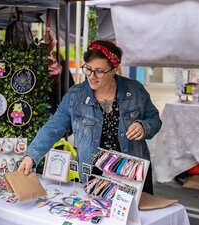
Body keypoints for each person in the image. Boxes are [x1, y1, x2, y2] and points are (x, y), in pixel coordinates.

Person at [18, 40, 162, 194]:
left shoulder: (135, 90)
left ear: (114, 70)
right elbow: (53, 128)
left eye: (99, 71)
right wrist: (31, 156)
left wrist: (143, 126)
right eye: (88, 69)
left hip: (131, 174)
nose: (92, 76)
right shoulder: (75, 96)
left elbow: (154, 119)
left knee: (138, 217)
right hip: (94, 176)